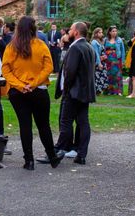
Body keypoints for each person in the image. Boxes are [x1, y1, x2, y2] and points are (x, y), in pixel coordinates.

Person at [1, 16, 64, 170]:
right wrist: (34, 83)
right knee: (43, 125)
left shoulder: (11, 47)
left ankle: (28, 161)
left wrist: (20, 85)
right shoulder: (41, 45)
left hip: (17, 92)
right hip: (38, 90)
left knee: (25, 125)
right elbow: (48, 67)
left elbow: (5, 69)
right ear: (33, 28)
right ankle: (52, 156)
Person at [54, 21, 96, 165]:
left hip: (74, 92)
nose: (68, 32)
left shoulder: (76, 48)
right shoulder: (89, 47)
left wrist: (65, 89)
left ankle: (58, 150)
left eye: (71, 29)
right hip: (84, 91)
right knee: (83, 122)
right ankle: (81, 154)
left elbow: (70, 72)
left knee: (65, 122)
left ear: (76, 32)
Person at [104, 26, 126, 96]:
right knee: (109, 75)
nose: (115, 32)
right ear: (110, 32)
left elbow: (123, 51)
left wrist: (123, 61)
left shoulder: (119, 40)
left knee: (118, 75)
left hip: (117, 60)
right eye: (113, 31)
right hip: (108, 60)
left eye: (116, 31)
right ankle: (110, 91)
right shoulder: (105, 40)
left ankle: (118, 91)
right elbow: (103, 50)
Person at [91, 27, 108, 95]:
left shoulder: (100, 41)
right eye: (100, 32)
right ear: (96, 33)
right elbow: (96, 53)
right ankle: (96, 91)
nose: (102, 34)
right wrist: (99, 63)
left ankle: (100, 91)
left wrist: (104, 56)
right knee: (97, 76)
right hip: (98, 62)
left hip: (103, 61)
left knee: (102, 76)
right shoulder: (94, 42)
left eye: (102, 32)